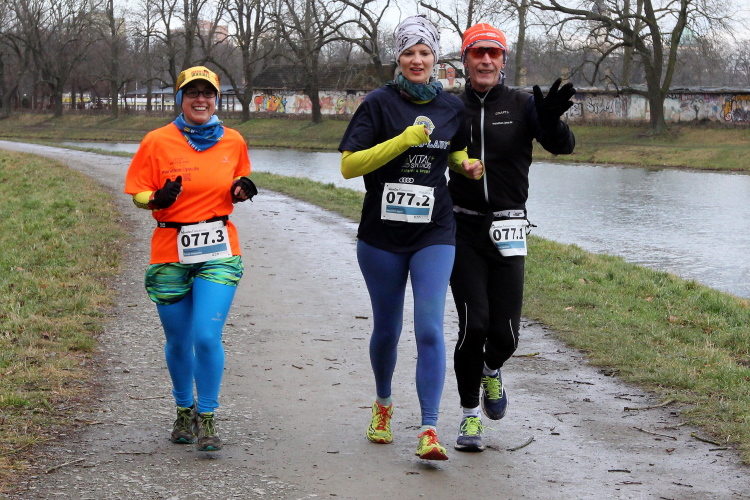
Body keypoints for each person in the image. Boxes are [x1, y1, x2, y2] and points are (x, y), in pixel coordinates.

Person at [339, 15, 483, 461]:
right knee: (387, 328)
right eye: (408, 52)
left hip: (434, 232)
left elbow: (452, 149)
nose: (417, 60)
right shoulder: (377, 104)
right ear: (397, 58)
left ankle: (429, 428)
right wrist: (402, 141)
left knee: (429, 328)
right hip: (381, 236)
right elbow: (349, 165)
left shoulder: (451, 107)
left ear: (435, 58)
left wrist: (464, 165)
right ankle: (383, 405)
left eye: (424, 53)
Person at [448, 23, 576, 452]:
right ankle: (469, 417)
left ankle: (491, 370)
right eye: (477, 52)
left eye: (494, 53)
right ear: (465, 60)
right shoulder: (451, 106)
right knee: (474, 325)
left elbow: (563, 146)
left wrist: (552, 120)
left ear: (503, 60)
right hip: (463, 229)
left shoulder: (523, 105)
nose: (486, 60)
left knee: (505, 336)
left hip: (508, 229)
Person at [124, 66, 257, 452]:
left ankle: (208, 416)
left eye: (208, 93)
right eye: (193, 92)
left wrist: (243, 188)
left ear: (216, 99)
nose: (201, 99)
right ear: (180, 98)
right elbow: (137, 194)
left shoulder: (233, 140)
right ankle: (184, 410)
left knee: (206, 335)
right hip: (170, 250)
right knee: (179, 340)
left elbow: (239, 182)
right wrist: (156, 199)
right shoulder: (156, 141)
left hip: (219, 250)